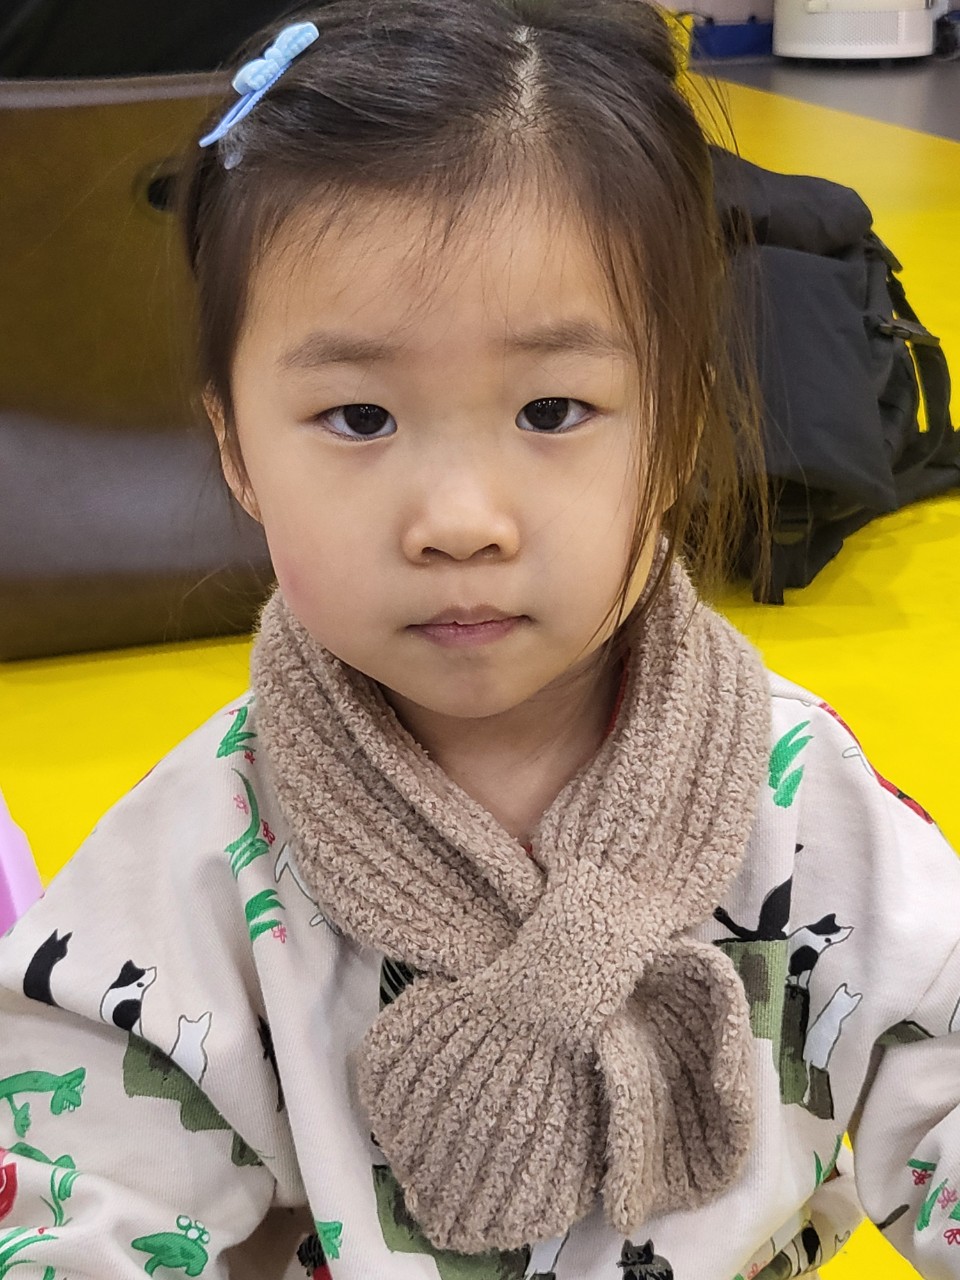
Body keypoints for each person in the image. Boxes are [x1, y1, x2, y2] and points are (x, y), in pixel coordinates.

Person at [1, 2, 958, 1277]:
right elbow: (71, 1191)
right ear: (236, 445)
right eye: (359, 417)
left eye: (552, 408)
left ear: (676, 426)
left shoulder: (801, 798)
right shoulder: (200, 854)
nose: (459, 520)